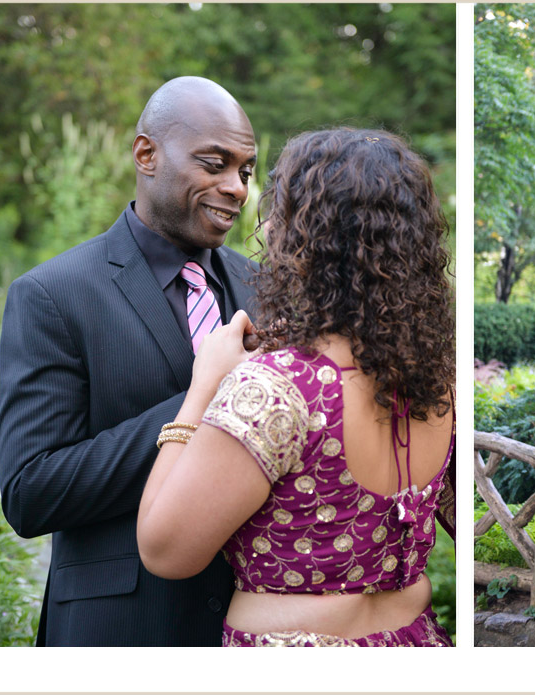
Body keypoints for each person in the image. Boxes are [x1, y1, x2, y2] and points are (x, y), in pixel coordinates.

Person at [136, 128, 456, 647]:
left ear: (303, 238)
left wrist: (204, 387)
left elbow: (165, 552)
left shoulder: (279, 390)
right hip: (414, 639)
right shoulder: (439, 380)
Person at [0, 76, 258, 646]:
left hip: (254, 624)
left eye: (245, 170)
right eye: (214, 163)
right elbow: (31, 491)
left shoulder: (264, 286)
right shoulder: (53, 294)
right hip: (121, 631)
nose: (236, 187)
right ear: (146, 154)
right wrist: (205, 398)